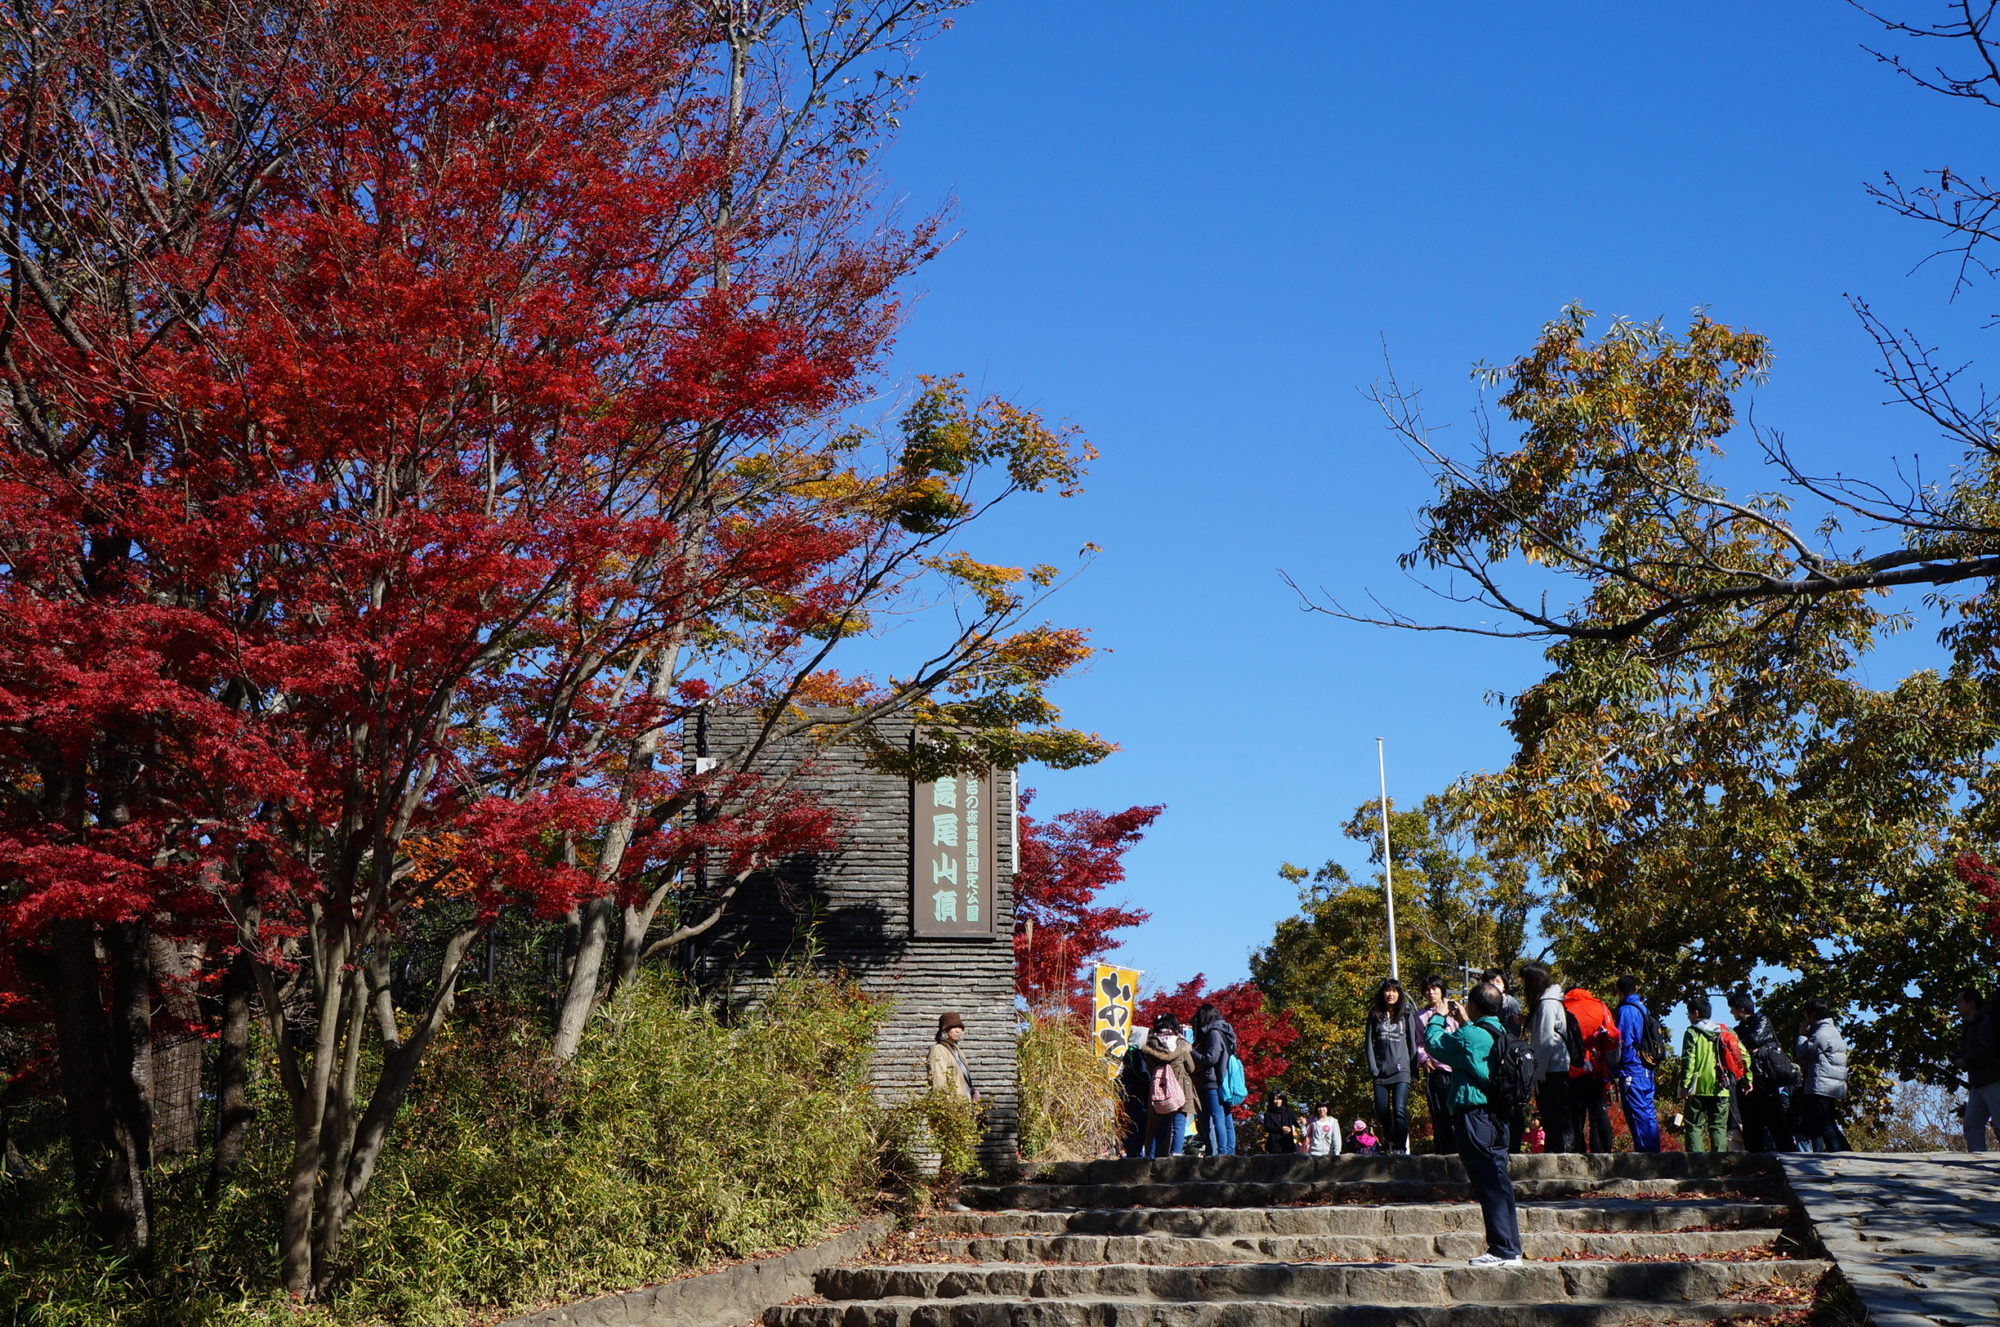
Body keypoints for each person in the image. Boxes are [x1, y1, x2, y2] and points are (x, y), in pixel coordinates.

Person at [1425, 981, 1523, 1266]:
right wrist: (1465, 1022)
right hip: (1499, 1117)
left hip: (1475, 1115)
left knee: (1487, 1181)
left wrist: (1438, 1016)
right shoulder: (1501, 1032)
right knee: (1500, 1180)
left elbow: (1435, 1045)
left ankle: (1501, 1249)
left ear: (1474, 1006)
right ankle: (1510, 1246)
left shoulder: (1470, 1037)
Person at [1678, 999, 1748, 1152]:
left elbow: (1689, 1061)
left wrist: (1684, 1085)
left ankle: (1697, 1166)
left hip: (1697, 1088)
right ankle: (1720, 1165)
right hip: (1722, 1086)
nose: (1688, 1017)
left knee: (1695, 1126)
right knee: (1718, 1128)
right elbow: (1744, 1056)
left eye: (1688, 1014)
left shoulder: (1692, 1032)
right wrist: (1747, 1080)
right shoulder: (1726, 1031)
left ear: (1695, 1013)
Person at [1727, 991, 1793, 1152]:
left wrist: (1745, 1045)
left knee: (1774, 1117)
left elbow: (1753, 1040)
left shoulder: (1762, 1020)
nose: (1731, 1012)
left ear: (1742, 1009)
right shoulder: (1739, 1028)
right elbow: (1736, 1046)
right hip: (1747, 1076)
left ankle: (1788, 1151)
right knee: (1750, 1119)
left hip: (1765, 1075)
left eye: (1733, 1009)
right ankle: (1755, 1154)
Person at [1519, 965, 1574, 1152]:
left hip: (1551, 1067)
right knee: (1556, 1114)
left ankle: (1560, 1151)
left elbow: (1545, 1039)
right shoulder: (1551, 1001)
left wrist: (1538, 1071)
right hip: (1556, 1065)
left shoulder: (1547, 1003)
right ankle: (1558, 1149)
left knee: (1554, 1113)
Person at [1363, 977, 1420, 1154]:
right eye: (1388, 990)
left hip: (1401, 1069)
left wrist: (1413, 1069)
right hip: (1380, 1071)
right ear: (1382, 993)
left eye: (1394, 991)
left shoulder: (1407, 1015)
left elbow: (1412, 1044)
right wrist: (1373, 1067)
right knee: (1381, 1110)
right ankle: (1391, 1137)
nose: (1391, 994)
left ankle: (1399, 1148)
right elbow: (1368, 1043)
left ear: (1399, 994)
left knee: (1400, 1110)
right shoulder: (1374, 1015)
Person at [1793, 1000, 1851, 1153]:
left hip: (1821, 1083)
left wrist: (1801, 1035)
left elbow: (1803, 1053)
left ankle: (1839, 1154)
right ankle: (1846, 1152)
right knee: (1829, 1123)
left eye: (1805, 1014)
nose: (1804, 1018)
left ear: (1812, 1014)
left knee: (1824, 1125)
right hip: (1832, 1083)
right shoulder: (1831, 1030)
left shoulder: (1820, 1034)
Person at [1137, 1014, 1197, 1158]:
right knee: (1179, 1124)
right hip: (1181, 1088)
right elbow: (1191, 1067)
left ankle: (1154, 1156)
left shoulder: (1151, 1045)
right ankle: (1176, 1153)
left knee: (1159, 1125)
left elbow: (1149, 1068)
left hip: (1159, 1089)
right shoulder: (1182, 1045)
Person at [1613, 976, 1661, 1153]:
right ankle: (1654, 1150)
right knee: (1648, 1110)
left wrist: (1616, 1066)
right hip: (1646, 1066)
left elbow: (1624, 1040)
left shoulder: (1626, 1010)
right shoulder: (1642, 1008)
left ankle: (1644, 1153)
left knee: (1636, 1111)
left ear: (1620, 991)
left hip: (1632, 1067)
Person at [1190, 1001, 1240, 1158]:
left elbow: (1211, 1058)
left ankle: (1221, 1153)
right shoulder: (1226, 1032)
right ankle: (1229, 1152)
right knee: (1226, 1117)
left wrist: (1193, 1052)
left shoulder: (1213, 1033)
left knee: (1216, 1117)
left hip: (1212, 1080)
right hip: (1223, 1080)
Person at [1954, 987, 2000, 1152]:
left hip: (1994, 1080)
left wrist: (1965, 1060)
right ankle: (1977, 1162)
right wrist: (1957, 1055)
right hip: (1979, 1082)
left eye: (1960, 1001)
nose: (1957, 1005)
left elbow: (1987, 1051)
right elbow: (1972, 1049)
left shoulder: (1984, 1023)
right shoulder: (1969, 1025)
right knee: (1972, 1125)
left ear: (1971, 1004)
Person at [1417, 975, 1460, 1154]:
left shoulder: (1454, 1009)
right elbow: (1418, 1042)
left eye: (1434, 988)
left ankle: (1463, 1151)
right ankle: (1444, 1153)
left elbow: (1462, 1033)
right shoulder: (1418, 1016)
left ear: (1442, 990)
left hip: (1457, 1068)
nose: (1431, 992)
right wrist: (1424, 1059)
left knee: (1459, 1113)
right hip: (1436, 1069)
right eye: (1427, 989)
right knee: (1439, 1113)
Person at [1118, 1029, 1155, 1157]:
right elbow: (1138, 1073)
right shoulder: (1133, 1053)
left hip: (1137, 1094)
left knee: (1138, 1125)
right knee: (1136, 1125)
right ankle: (1134, 1154)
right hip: (1136, 1094)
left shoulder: (1135, 1053)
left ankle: (1136, 1153)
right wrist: (1149, 1082)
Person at [928, 1011, 979, 1101]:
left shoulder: (958, 1052)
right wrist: (948, 1107)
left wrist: (972, 1090)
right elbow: (938, 1082)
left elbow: (961, 1080)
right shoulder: (938, 1050)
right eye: (953, 1027)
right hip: (952, 1108)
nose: (958, 1030)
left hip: (964, 1105)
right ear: (945, 1030)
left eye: (960, 1027)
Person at [1480, 968, 1524, 1035]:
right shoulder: (1478, 1002)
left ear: (1504, 986)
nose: (1494, 984)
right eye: (1491, 981)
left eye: (1498, 981)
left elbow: (1515, 1031)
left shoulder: (1511, 1003)